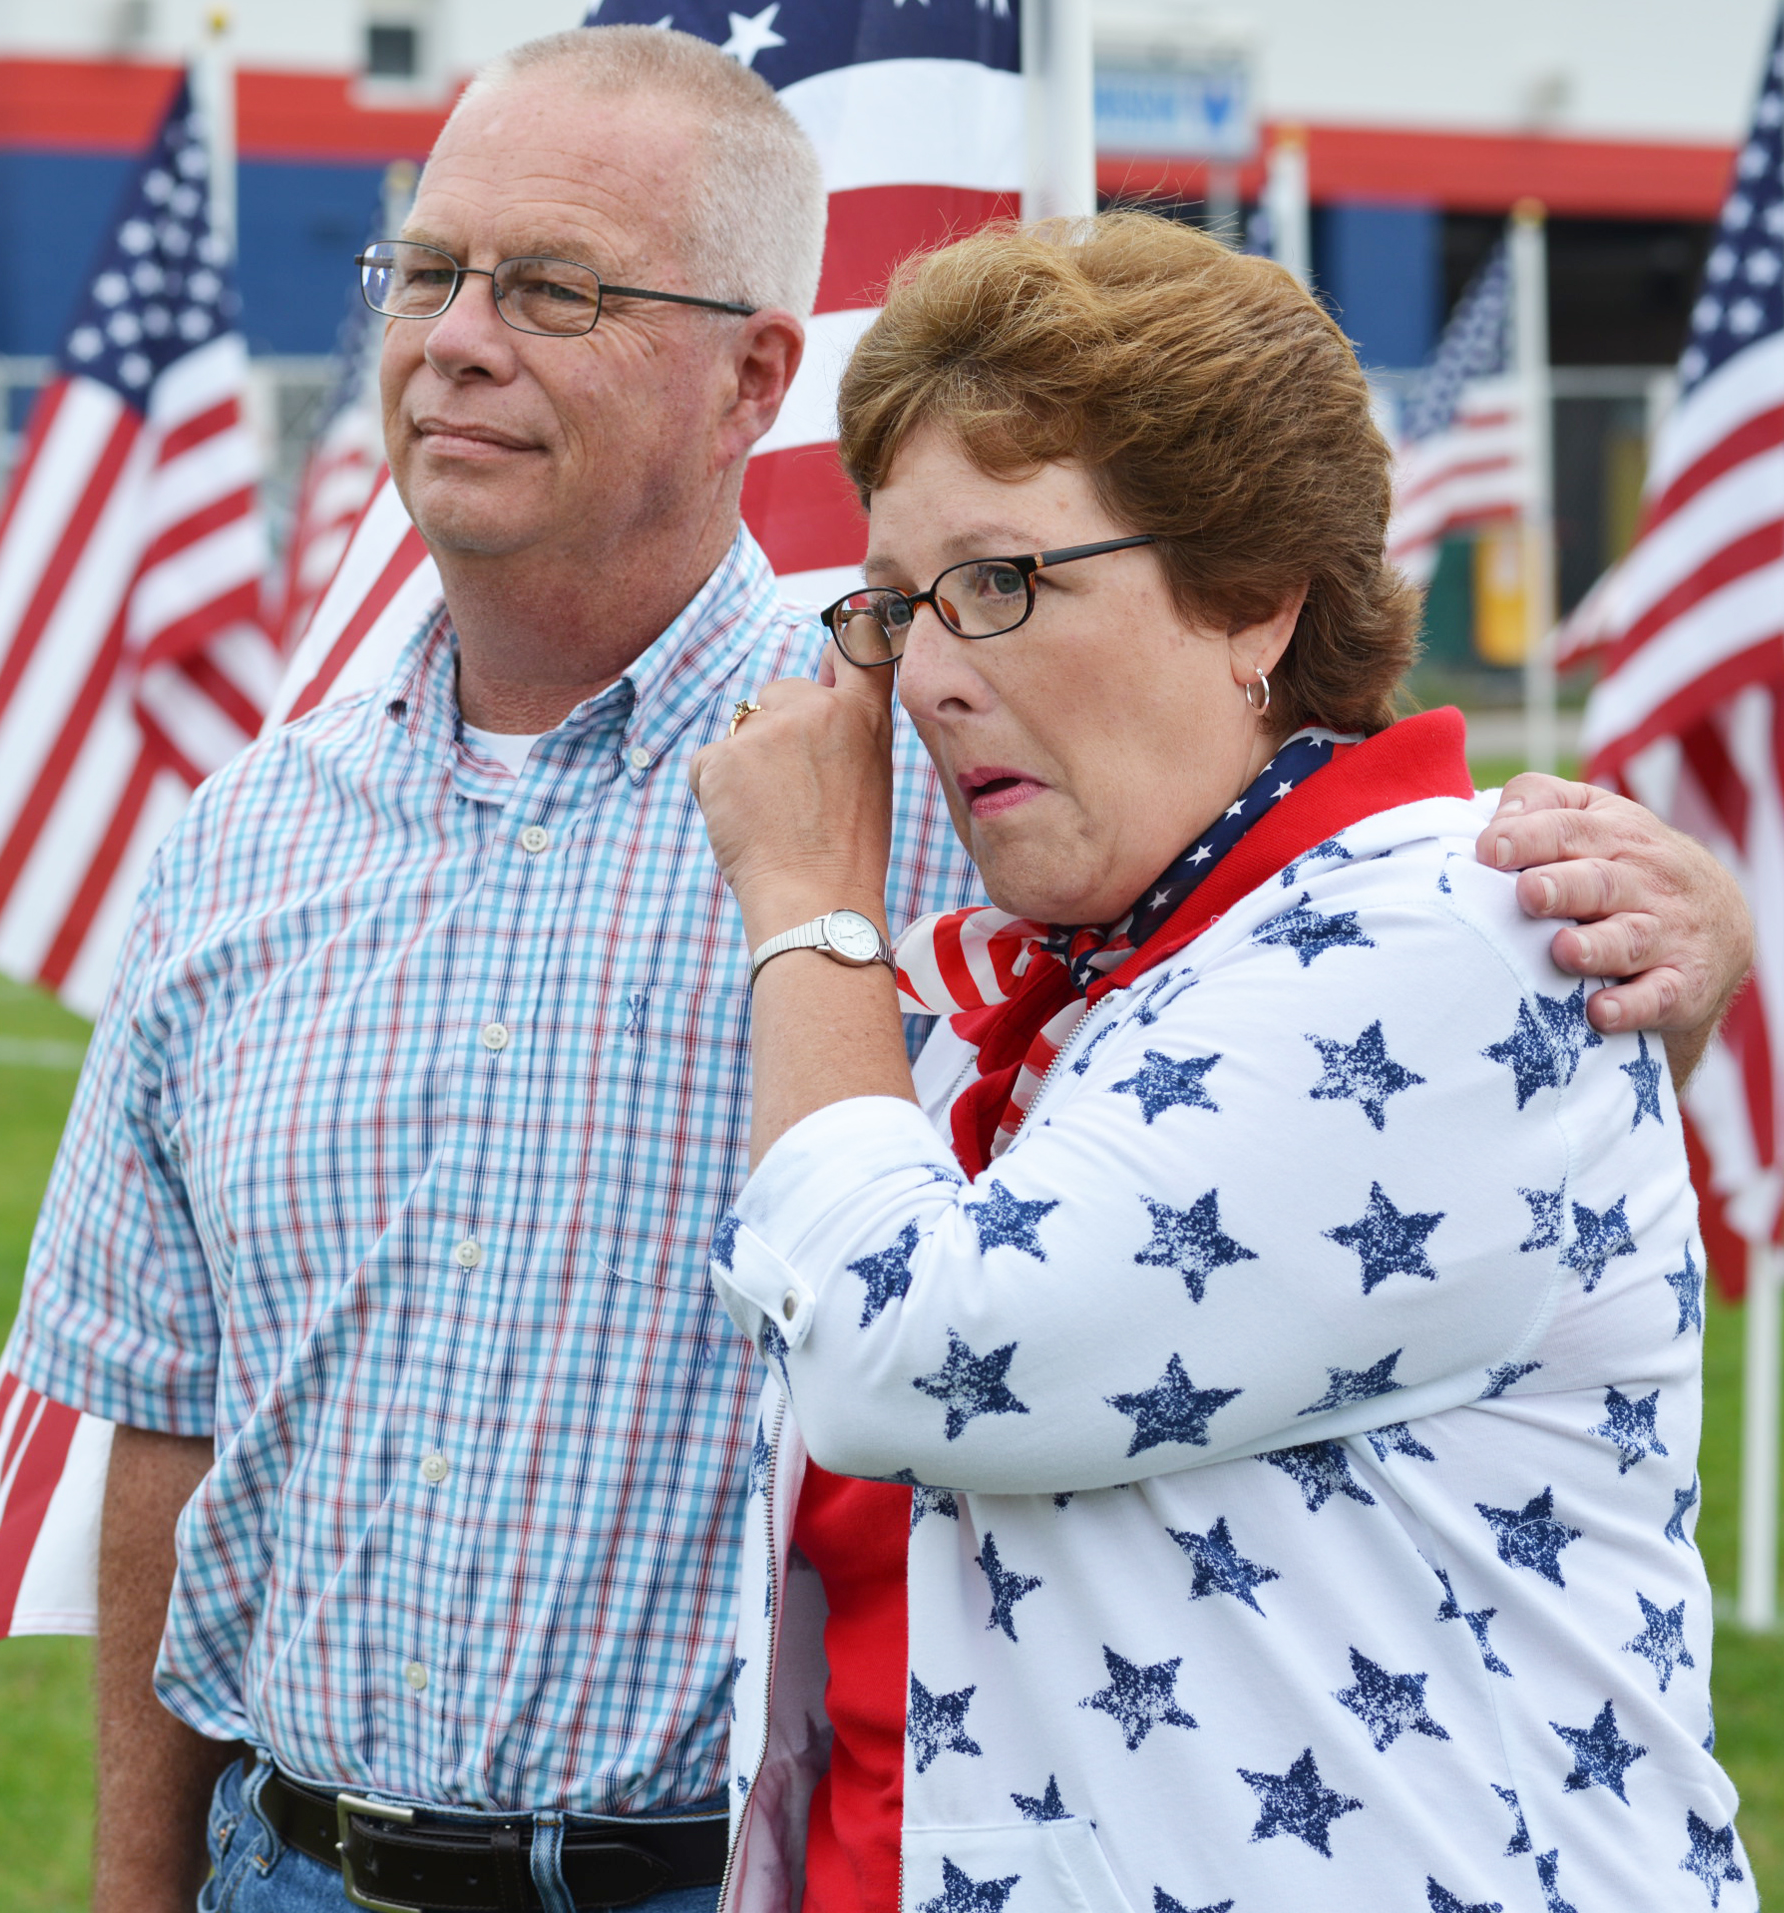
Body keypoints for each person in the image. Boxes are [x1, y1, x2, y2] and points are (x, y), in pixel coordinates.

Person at [6, 29, 1749, 1913]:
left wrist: (1668, 917)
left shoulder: (941, 788)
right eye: (427, 272)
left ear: (759, 366)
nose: (460, 337)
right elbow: (164, 1414)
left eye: (556, 286)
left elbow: (1295, 834)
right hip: (307, 1857)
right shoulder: (243, 838)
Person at [692, 211, 1749, 1913]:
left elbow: (909, 1349)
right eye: (898, 604)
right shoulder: (1110, 971)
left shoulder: (1440, 942)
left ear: (1255, 597)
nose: (932, 678)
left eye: (1001, 581)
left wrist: (809, 911)